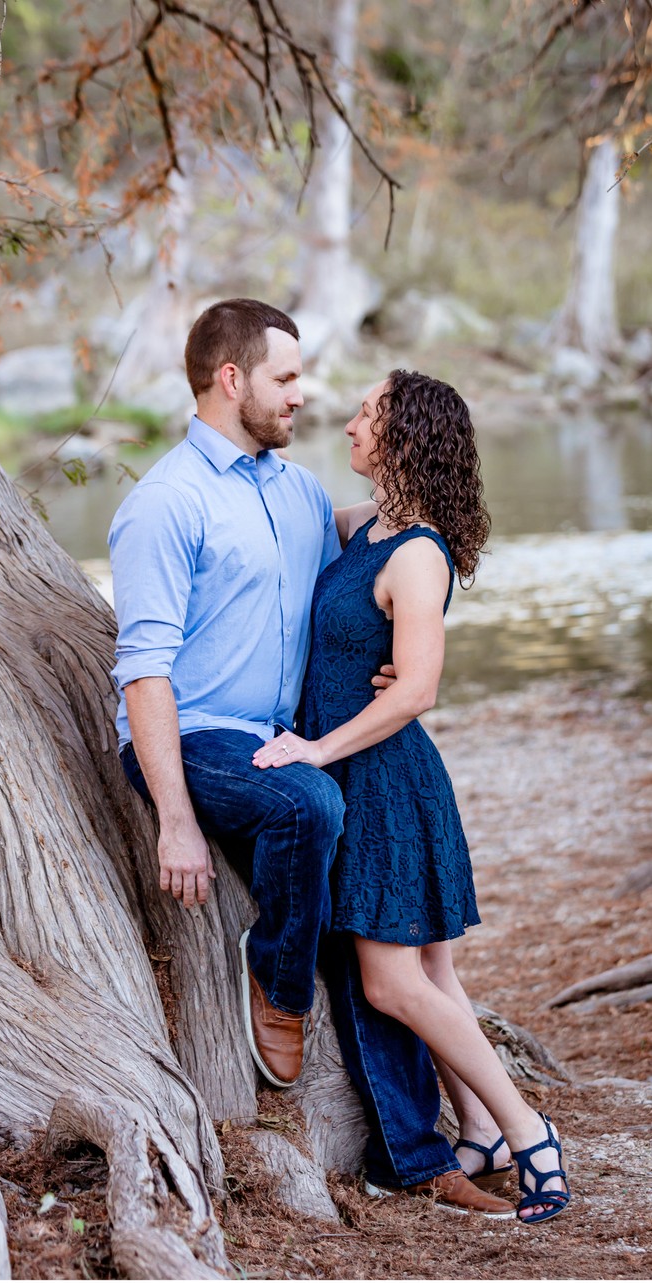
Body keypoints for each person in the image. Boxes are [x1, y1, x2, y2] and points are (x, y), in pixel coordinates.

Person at [109, 299, 514, 1217]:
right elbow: (143, 669)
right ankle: (276, 977)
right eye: (286, 379)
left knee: (364, 925)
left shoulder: (293, 494)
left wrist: (412, 595)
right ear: (231, 380)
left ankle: (416, 1158)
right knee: (311, 812)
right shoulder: (164, 504)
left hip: (283, 741)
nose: (303, 396)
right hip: (196, 738)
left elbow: (388, 541)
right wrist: (174, 816)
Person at [252, 369, 571, 1224]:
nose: (349, 422)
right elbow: (289, 520)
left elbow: (416, 688)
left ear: (403, 437)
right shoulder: (364, 528)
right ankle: (481, 1131)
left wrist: (315, 747)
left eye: (367, 414)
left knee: (393, 984)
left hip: (384, 782)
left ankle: (528, 1129)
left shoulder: (418, 553)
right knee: (435, 973)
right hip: (366, 774)